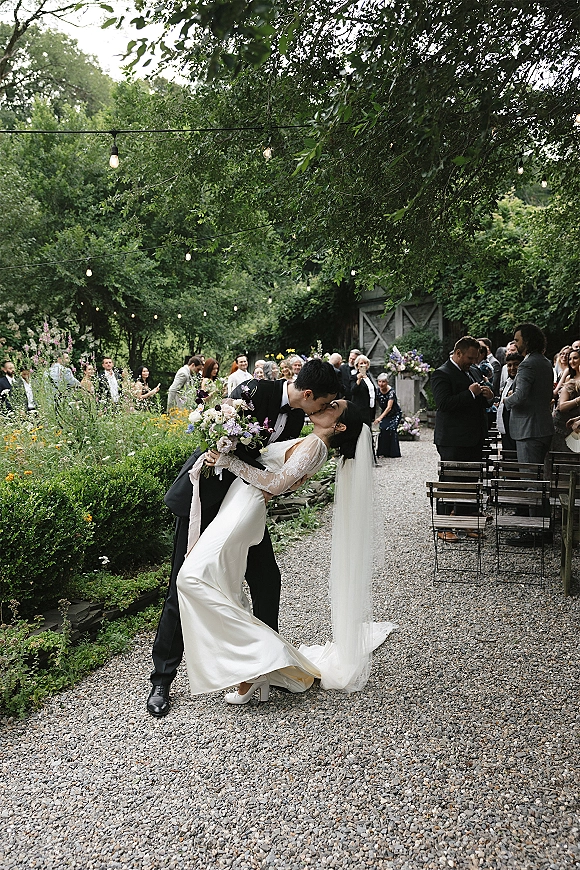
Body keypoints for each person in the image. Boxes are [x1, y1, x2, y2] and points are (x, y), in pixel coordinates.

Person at [147, 358, 341, 716]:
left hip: (243, 508)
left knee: (267, 579)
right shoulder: (252, 392)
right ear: (309, 393)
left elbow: (275, 463)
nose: (327, 409)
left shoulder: (300, 418)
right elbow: (217, 442)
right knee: (184, 582)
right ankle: (162, 679)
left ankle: (263, 665)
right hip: (207, 499)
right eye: (324, 402)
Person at [177, 400, 396, 703]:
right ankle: (250, 675)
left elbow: (277, 483)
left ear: (339, 426)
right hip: (238, 499)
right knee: (222, 584)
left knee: (190, 578)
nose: (327, 403)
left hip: (245, 506)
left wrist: (230, 462)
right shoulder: (312, 440)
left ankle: (268, 658)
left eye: (335, 406)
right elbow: (279, 474)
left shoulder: (317, 446)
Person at [431, 337, 494, 542]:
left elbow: (479, 403)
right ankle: (443, 525)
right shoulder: (442, 373)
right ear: (458, 353)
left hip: (474, 437)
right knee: (450, 482)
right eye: (469, 357)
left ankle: (466, 523)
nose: (473, 362)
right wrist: (470, 394)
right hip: (452, 439)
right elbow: (444, 404)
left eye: (475, 358)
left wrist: (488, 396)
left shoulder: (474, 371)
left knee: (470, 481)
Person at [503, 323, 554, 464]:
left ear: (528, 341)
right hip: (544, 428)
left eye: (517, 340)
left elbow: (520, 396)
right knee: (538, 477)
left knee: (530, 478)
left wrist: (506, 400)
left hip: (528, 430)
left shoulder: (527, 364)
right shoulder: (545, 362)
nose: (515, 343)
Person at [550, 349, 580, 453]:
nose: (572, 361)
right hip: (562, 424)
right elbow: (561, 406)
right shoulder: (569, 378)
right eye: (570, 359)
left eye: (575, 358)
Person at [496, 352, 523, 454]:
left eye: (516, 364)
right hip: (505, 430)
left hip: (515, 430)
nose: (512, 368)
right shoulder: (508, 382)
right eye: (509, 365)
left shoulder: (520, 383)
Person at [374, 374, 402, 458]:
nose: (381, 384)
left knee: (391, 429)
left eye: (383, 382)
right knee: (383, 428)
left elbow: (389, 407)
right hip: (385, 413)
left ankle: (393, 452)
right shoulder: (377, 391)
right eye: (379, 381)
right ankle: (382, 451)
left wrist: (380, 418)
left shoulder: (391, 392)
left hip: (395, 414)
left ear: (387, 382)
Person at [350, 354, 376, 426]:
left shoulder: (369, 377)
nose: (364, 365)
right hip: (360, 410)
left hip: (369, 409)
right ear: (357, 366)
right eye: (361, 363)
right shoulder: (354, 377)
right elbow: (353, 391)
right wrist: (359, 379)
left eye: (365, 363)